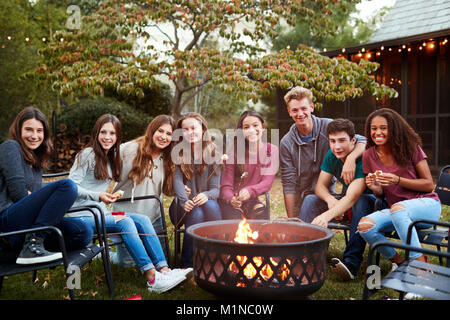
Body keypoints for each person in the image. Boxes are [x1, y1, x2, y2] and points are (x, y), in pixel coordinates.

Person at [66, 114, 187, 293]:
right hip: (81, 214)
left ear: (117, 137)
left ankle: (164, 271)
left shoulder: (109, 156)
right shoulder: (87, 154)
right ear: (96, 133)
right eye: (104, 132)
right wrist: (99, 196)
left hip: (100, 213)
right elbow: (69, 187)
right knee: (125, 223)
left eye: (112, 134)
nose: (108, 137)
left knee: (142, 221)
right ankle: (152, 278)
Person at [0, 107, 91, 265]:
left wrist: (43, 200)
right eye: (29, 130)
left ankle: (31, 246)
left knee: (83, 232)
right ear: (18, 130)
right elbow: (18, 194)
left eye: (39, 131)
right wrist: (40, 199)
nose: (34, 136)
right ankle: (32, 246)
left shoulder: (35, 159)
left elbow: (34, 194)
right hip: (7, 223)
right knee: (67, 186)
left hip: (27, 222)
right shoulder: (10, 147)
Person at [358, 108, 441, 270]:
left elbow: (428, 184)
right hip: (398, 213)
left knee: (397, 209)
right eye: (373, 128)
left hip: (427, 205)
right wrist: (376, 188)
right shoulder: (368, 155)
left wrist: (398, 180)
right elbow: (382, 193)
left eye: (383, 128)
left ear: (393, 129)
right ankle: (400, 263)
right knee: (365, 226)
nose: (377, 132)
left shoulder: (410, 148)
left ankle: (421, 269)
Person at [299, 118, 380, 281]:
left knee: (361, 201)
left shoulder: (364, 158)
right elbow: (320, 187)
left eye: (342, 140)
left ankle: (351, 263)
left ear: (353, 140)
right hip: (348, 199)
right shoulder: (332, 155)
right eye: (332, 141)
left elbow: (352, 197)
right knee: (310, 200)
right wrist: (330, 201)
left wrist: (326, 216)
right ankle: (299, 254)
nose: (337, 146)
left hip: (373, 203)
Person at [279, 86, 367, 218]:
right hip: (303, 196)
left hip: (326, 193)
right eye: (295, 110)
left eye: (304, 108)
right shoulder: (286, 143)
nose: (300, 113)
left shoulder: (328, 126)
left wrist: (351, 158)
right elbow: (288, 183)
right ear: (289, 112)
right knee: (301, 228)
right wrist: (292, 220)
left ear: (312, 107)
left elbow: (361, 140)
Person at [112, 115, 176, 257]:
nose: (164, 137)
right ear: (152, 130)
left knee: (160, 259)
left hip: (153, 218)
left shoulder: (168, 158)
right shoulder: (129, 149)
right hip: (125, 216)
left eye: (169, 134)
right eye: (160, 131)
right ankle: (102, 253)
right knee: (126, 265)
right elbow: (104, 161)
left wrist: (180, 188)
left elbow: (168, 190)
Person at [170, 112, 222, 268]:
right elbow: (177, 180)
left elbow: (215, 190)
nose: (189, 132)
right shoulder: (179, 152)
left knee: (210, 205)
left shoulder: (214, 154)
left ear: (203, 129)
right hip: (181, 207)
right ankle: (187, 265)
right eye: (185, 129)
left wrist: (206, 195)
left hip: (206, 207)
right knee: (196, 211)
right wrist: (183, 201)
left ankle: (216, 257)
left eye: (193, 128)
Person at [219, 110, 278, 220]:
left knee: (260, 214)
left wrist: (250, 191)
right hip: (232, 201)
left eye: (255, 125)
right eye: (246, 127)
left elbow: (267, 182)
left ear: (263, 128)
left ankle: (261, 238)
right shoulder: (234, 152)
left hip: (252, 200)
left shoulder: (271, 150)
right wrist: (231, 199)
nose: (251, 130)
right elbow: (226, 185)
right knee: (234, 218)